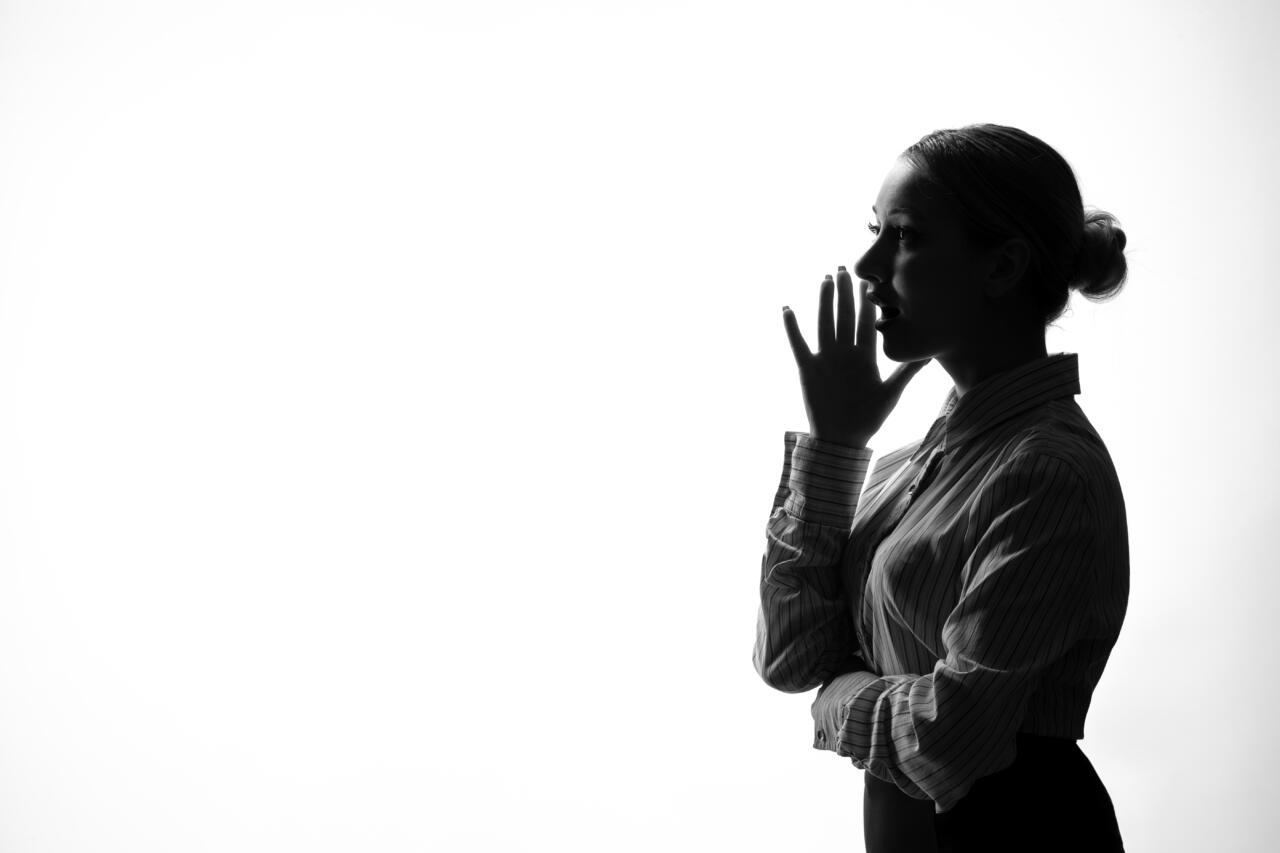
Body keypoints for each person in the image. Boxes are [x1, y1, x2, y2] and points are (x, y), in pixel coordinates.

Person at [752, 124, 1129, 853]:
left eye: (905, 236)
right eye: (875, 232)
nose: (867, 265)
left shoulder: (1047, 472)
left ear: (1002, 265)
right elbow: (791, 657)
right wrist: (834, 448)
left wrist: (840, 696)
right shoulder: (908, 468)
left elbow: (947, 741)